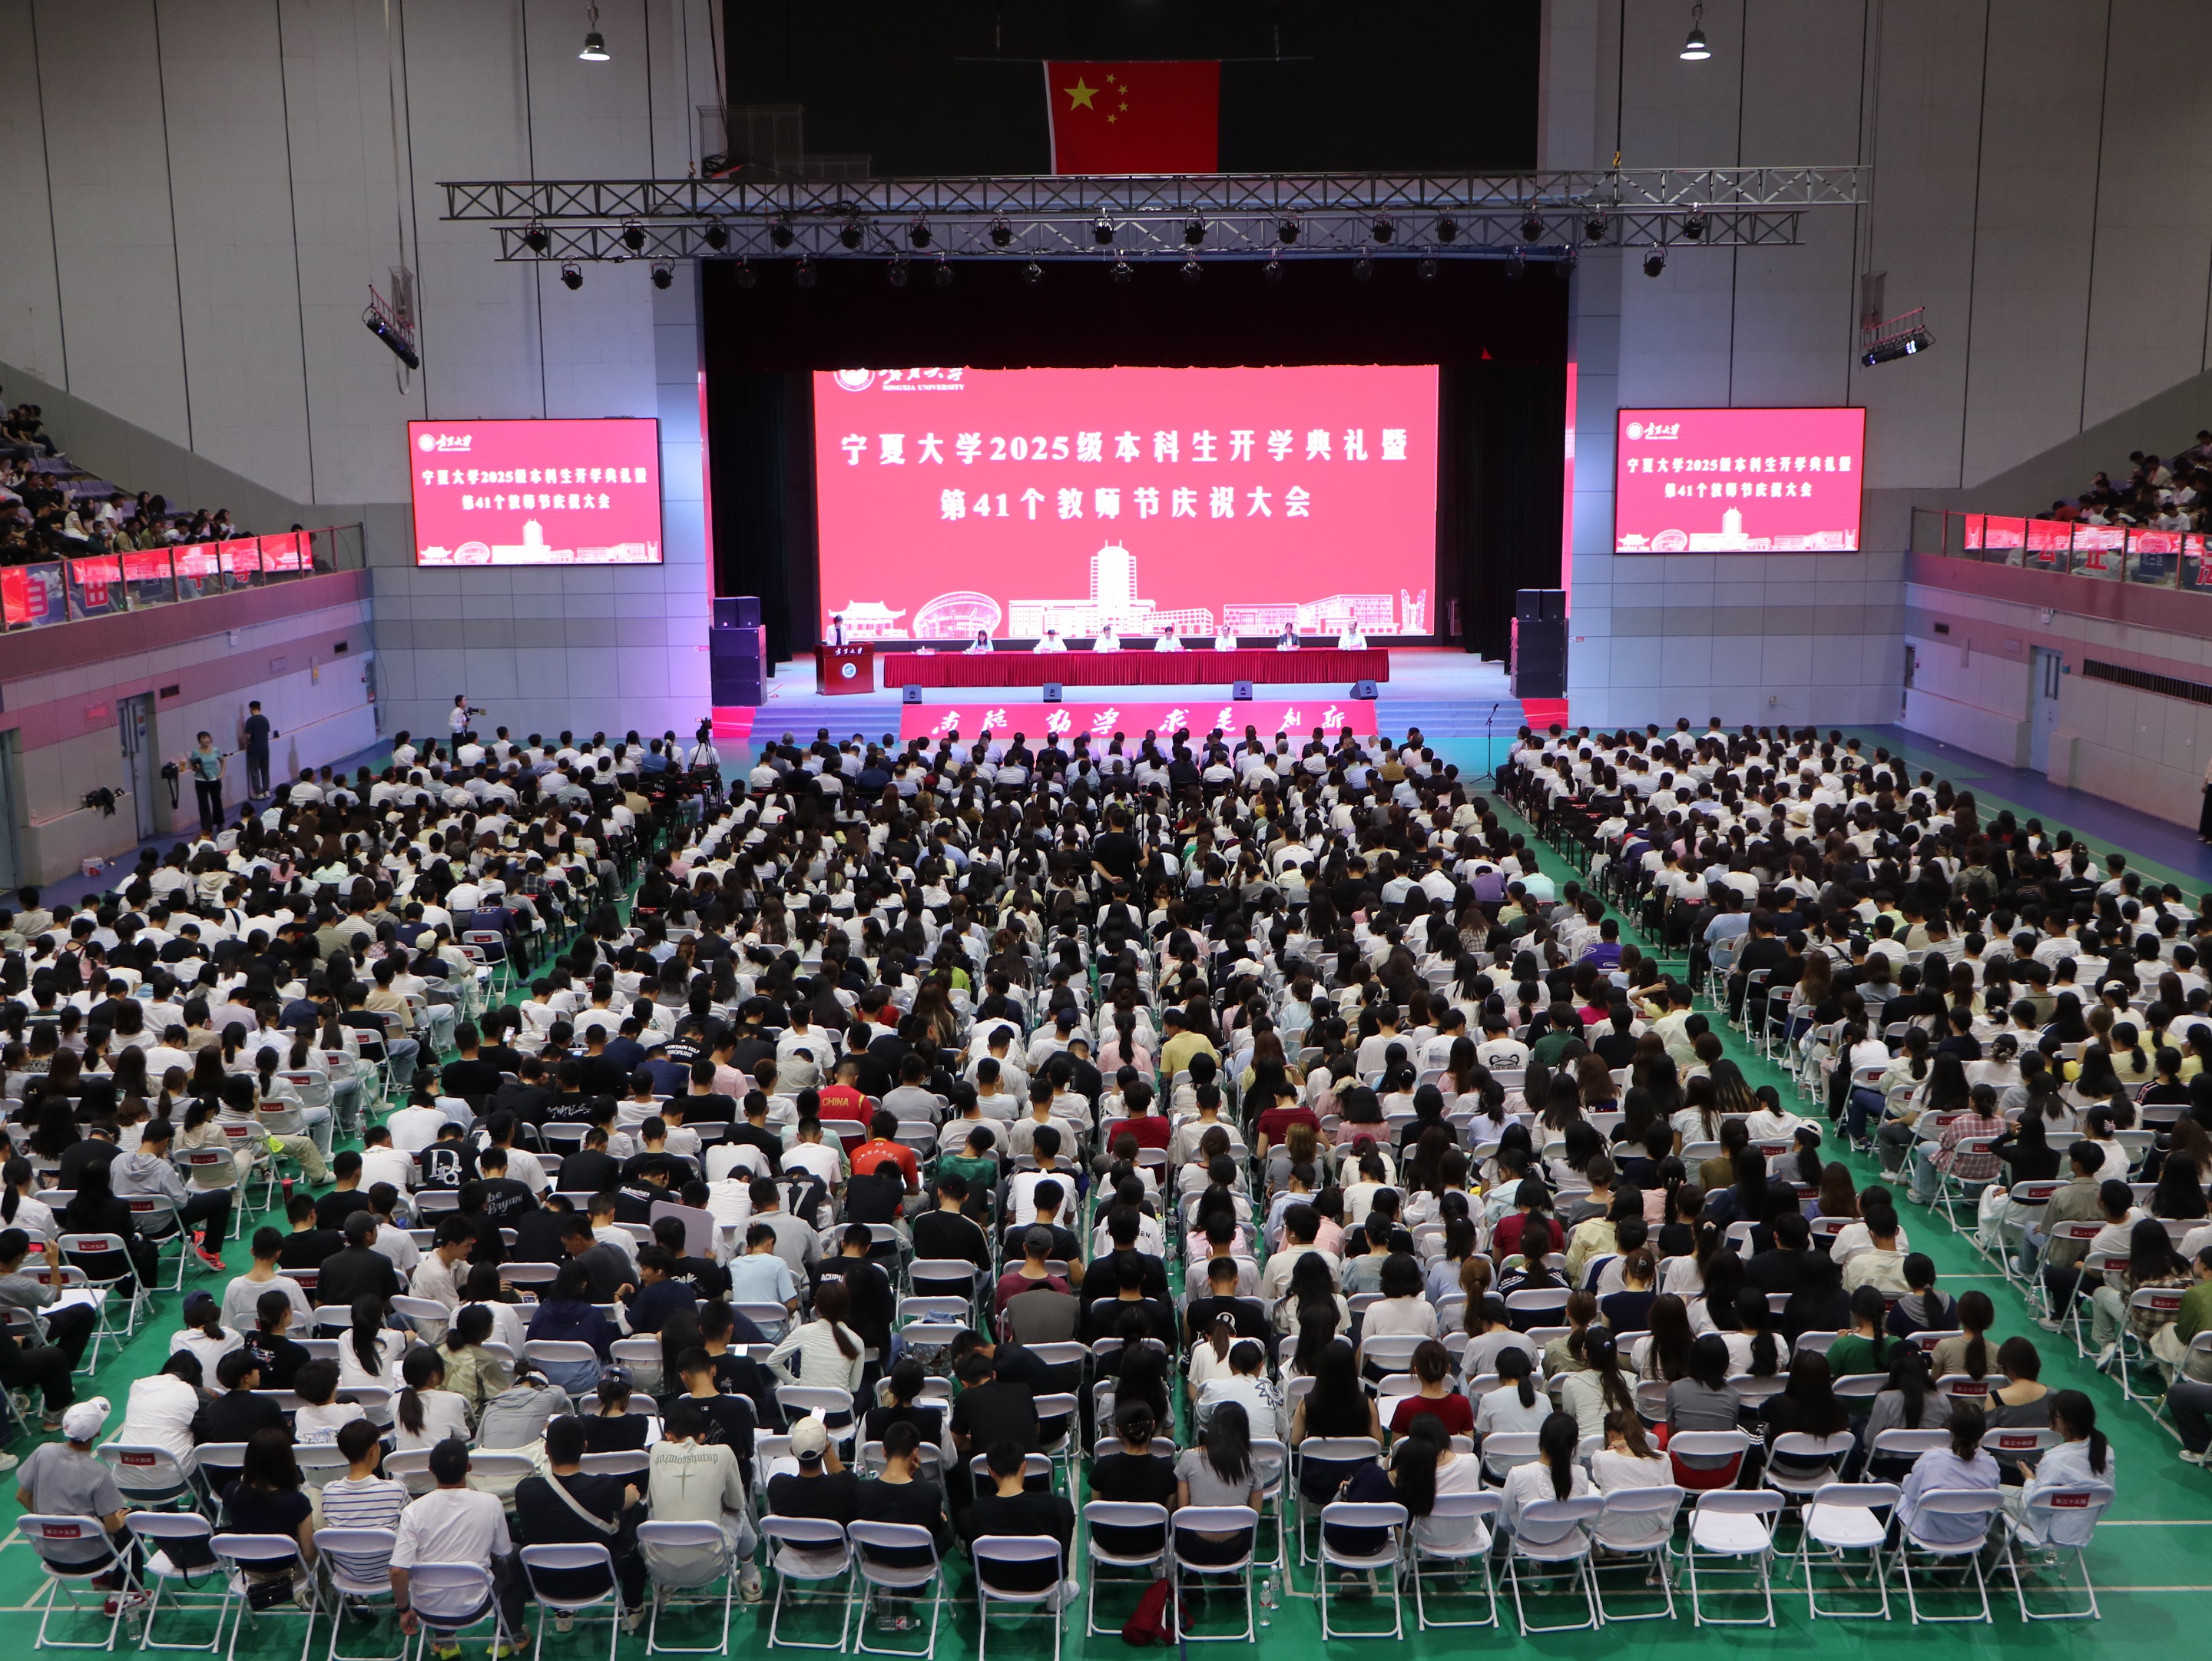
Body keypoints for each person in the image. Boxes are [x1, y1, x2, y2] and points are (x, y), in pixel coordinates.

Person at [390, 1438, 530, 1650]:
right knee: (515, 1556)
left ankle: (445, 1643)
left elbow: (398, 1571)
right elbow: (502, 1552)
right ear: (469, 1468)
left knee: (430, 1559)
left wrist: (403, 1610)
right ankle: (507, 1637)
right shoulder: (491, 1503)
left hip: (426, 1610)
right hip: (475, 1607)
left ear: (431, 1470)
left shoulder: (412, 1511)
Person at [514, 1415, 648, 1619]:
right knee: (637, 1512)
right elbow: (631, 1500)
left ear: (547, 1449)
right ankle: (632, 1605)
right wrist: (631, 1492)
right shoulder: (605, 1486)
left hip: (546, 1584)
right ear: (585, 1447)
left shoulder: (525, 1490)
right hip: (599, 1579)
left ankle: (562, 1613)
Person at [15, 1397, 132, 1593]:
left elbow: (22, 1496)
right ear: (98, 1432)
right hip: (91, 1561)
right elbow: (111, 1527)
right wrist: (119, 1521)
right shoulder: (100, 1474)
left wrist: (53, 1523)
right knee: (130, 1519)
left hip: (51, 1558)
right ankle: (125, 1594)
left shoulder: (43, 1452)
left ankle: (102, 1580)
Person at [961, 1439, 1076, 1606]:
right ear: (1024, 1466)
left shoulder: (977, 1509)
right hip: (1043, 1580)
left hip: (995, 1581)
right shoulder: (1051, 1504)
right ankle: (1057, 1592)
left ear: (991, 1472)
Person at [2005, 1390, 2113, 1549]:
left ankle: (2010, 1553)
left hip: (2048, 1530)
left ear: (2066, 1421)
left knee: (1992, 1495)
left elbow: (2036, 1506)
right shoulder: (2105, 1451)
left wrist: (2029, 1479)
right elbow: (2106, 1498)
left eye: (2052, 1414)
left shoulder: (2054, 1458)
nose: (2048, 1417)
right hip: (2081, 1530)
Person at [220, 1429, 318, 1596]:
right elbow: (308, 1554)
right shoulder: (297, 1501)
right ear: (287, 1461)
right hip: (289, 1574)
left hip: (248, 1571)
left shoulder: (231, 1491)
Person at [1895, 1400, 1998, 1549]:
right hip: (1971, 1534)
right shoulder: (1991, 1465)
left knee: (1887, 1489)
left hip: (1929, 1533)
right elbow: (1990, 1501)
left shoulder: (1931, 1459)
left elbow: (1911, 1493)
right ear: (1983, 1434)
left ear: (1951, 1430)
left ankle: (1898, 1551)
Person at [1498, 1411, 1590, 1533]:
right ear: (1574, 1446)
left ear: (1541, 1439)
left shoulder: (1518, 1474)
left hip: (1525, 1535)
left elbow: (1507, 1508)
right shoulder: (1581, 1474)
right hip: (1564, 1533)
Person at [187, 731, 227, 834]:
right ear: (199, 741)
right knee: (203, 803)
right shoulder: (195, 752)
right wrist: (196, 767)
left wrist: (222, 773)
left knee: (217, 801)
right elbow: (192, 766)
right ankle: (206, 826)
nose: (206, 740)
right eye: (204, 738)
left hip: (214, 779)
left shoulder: (216, 750)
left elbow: (223, 761)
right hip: (201, 781)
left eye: (208, 738)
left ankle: (219, 822)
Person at [243, 700, 275, 797]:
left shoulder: (250, 721)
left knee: (255, 771)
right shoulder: (265, 720)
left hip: (254, 749)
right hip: (265, 749)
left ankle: (259, 792)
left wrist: (246, 743)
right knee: (265, 771)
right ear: (260, 708)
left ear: (251, 709)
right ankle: (267, 791)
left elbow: (248, 736)